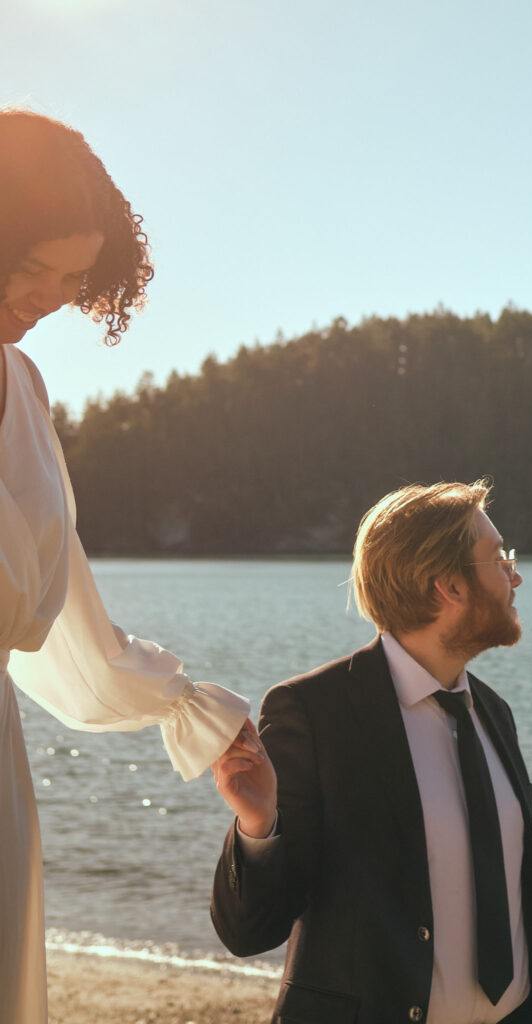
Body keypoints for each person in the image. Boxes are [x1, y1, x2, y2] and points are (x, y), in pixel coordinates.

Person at [0, 108, 258, 1023]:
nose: (45, 300)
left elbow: (69, 625)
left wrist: (181, 702)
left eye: (70, 282)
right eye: (30, 269)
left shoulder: (23, 391)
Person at [211, 481, 532, 1024]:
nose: (515, 574)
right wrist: (258, 825)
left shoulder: (493, 712)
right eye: (499, 559)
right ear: (448, 585)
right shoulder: (314, 711)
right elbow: (249, 931)